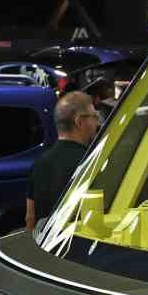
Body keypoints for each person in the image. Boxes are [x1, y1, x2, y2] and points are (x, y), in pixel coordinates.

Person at [26, 91, 101, 231]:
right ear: (79, 122)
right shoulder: (91, 163)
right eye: (94, 117)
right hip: (78, 243)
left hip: (46, 241)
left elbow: (30, 217)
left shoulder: (39, 163)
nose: (97, 123)